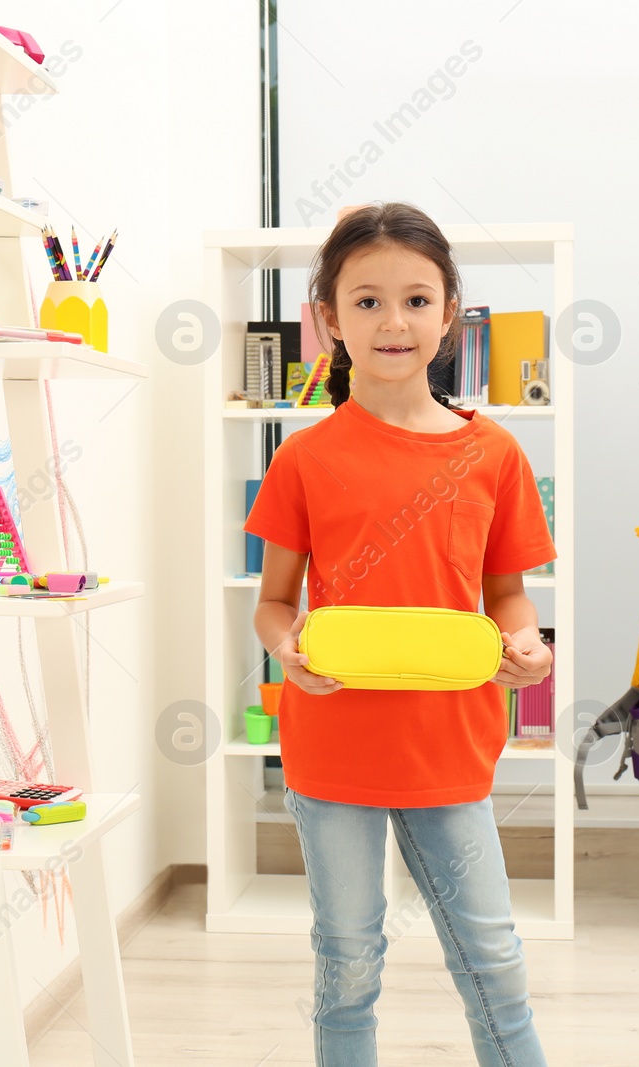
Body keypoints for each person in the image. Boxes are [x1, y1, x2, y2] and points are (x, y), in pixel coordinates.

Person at [244, 201, 555, 1067]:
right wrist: (286, 648)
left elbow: (508, 596)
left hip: (450, 744)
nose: (394, 321)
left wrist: (527, 646)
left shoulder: (493, 453)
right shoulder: (304, 458)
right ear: (329, 319)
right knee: (346, 964)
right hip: (334, 745)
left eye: (417, 300)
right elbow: (273, 604)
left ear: (449, 314)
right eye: (368, 301)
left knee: (493, 962)